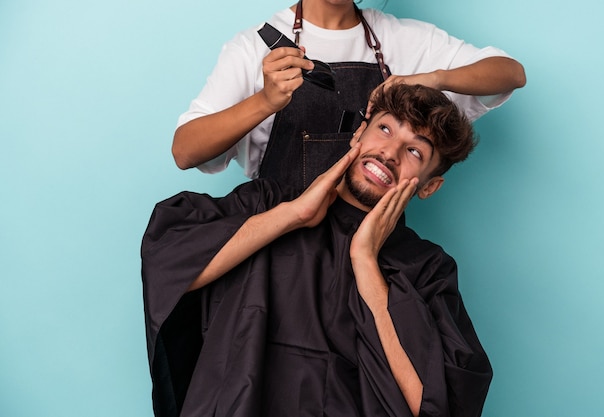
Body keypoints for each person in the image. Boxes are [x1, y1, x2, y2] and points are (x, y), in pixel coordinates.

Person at [142, 84, 492, 417]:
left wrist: (366, 263)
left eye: (415, 151)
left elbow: (433, 405)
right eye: (385, 129)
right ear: (359, 134)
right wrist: (294, 214)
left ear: (429, 186)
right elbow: (174, 266)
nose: (389, 153)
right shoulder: (267, 204)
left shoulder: (426, 268)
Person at [171, 0, 526, 192]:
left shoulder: (403, 39)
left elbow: (510, 73)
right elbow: (185, 151)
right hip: (275, 251)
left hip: (371, 254)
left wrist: (435, 77)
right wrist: (264, 101)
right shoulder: (255, 47)